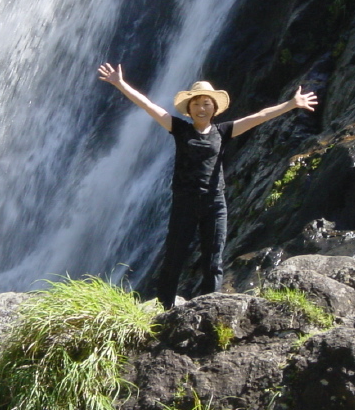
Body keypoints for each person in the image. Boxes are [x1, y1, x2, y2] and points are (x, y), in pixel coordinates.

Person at [97, 62, 317, 309]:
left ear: (214, 108)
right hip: (184, 202)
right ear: (189, 109)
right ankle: (164, 309)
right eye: (196, 104)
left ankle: (211, 309)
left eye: (206, 103)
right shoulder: (179, 129)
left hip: (214, 203)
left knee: (213, 260)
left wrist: (291, 104)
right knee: (174, 258)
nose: (201, 108)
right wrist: (120, 83)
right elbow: (149, 106)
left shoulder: (223, 131)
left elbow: (259, 117)